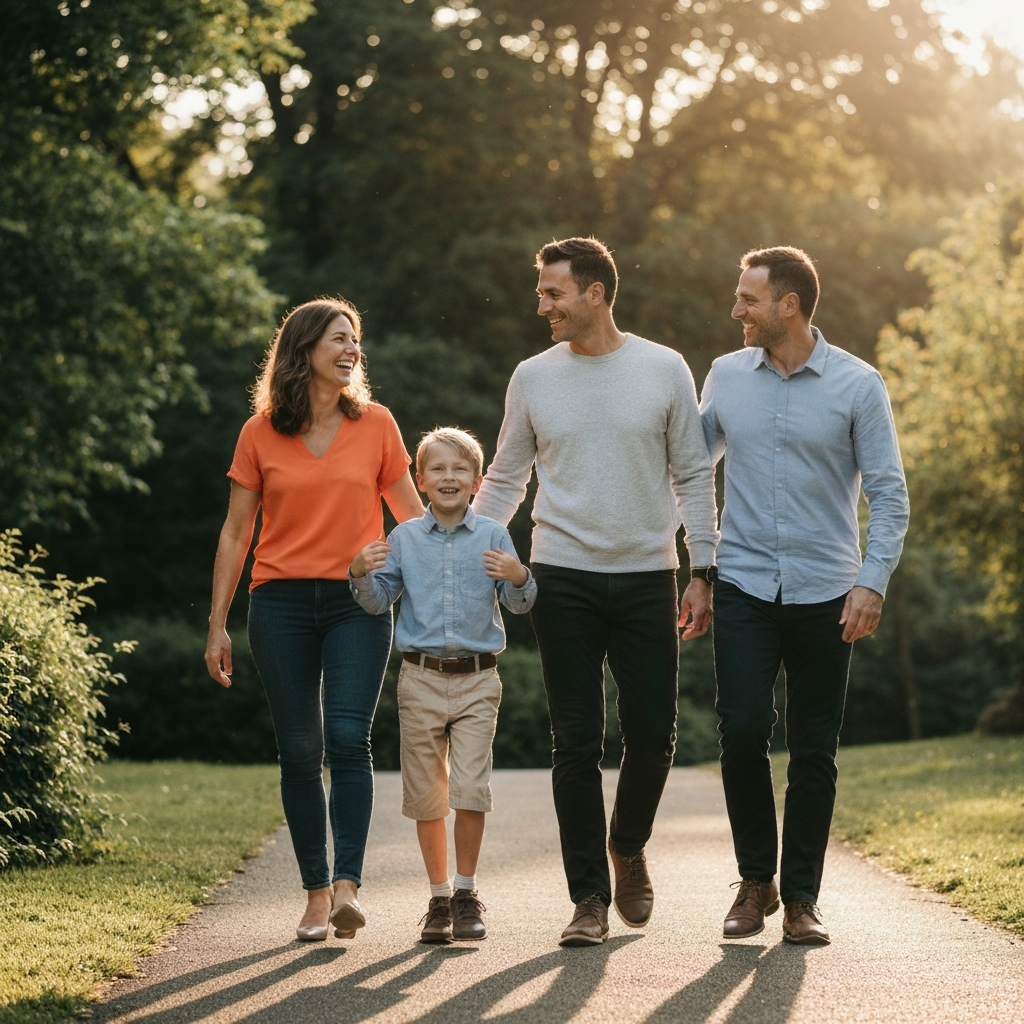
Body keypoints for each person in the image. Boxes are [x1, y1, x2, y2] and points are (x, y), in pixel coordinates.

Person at [473, 237, 720, 946]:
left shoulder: (663, 368)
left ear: (595, 294)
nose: (541, 306)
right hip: (563, 574)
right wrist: (461, 546)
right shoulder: (532, 376)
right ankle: (587, 898)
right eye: (541, 292)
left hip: (649, 572)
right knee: (575, 741)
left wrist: (702, 569)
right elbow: (506, 477)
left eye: (553, 293)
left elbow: (694, 474)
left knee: (653, 735)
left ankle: (627, 843)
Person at [701, 247, 909, 945]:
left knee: (814, 748)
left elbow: (889, 494)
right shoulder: (727, 377)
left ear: (787, 305)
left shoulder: (858, 385)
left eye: (748, 299)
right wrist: (698, 566)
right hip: (745, 583)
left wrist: (871, 580)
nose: (737, 311)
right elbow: (686, 466)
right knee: (741, 728)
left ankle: (800, 899)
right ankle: (754, 879)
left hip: (828, 593)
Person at [204, 298, 424, 944]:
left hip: (359, 601)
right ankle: (316, 893)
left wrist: (445, 588)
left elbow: (412, 523)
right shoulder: (260, 433)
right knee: (300, 750)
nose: (352, 349)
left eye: (355, 339)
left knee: (349, 738)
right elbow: (235, 531)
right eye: (338, 338)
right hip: (280, 605)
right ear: (303, 351)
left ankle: (349, 886)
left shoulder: (378, 425)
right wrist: (218, 622)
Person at [349, 427, 536, 943]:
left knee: (472, 787)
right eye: (438, 469)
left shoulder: (494, 535)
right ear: (421, 479)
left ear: (477, 481)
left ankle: (466, 892)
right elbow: (376, 602)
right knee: (427, 793)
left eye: (459, 469)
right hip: (421, 679)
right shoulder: (404, 538)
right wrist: (359, 572)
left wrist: (519, 577)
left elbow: (519, 604)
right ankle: (437, 899)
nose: (448, 477)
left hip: (478, 679)